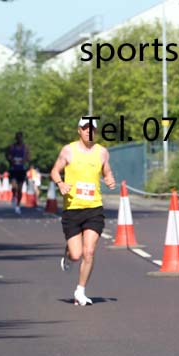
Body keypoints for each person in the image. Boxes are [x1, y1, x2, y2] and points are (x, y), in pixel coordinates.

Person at [50, 118, 116, 305]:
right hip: (72, 209)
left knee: (89, 252)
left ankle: (80, 290)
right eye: (85, 128)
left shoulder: (102, 152)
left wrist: (110, 179)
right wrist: (60, 183)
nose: (89, 132)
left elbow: (107, 172)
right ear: (79, 130)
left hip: (94, 209)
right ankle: (69, 253)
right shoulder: (68, 150)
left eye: (92, 129)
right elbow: (55, 171)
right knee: (77, 254)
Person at [6, 132, 30, 214]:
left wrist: (24, 160)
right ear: (16, 138)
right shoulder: (11, 147)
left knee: (20, 189)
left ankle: (18, 205)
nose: (19, 139)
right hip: (13, 169)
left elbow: (28, 157)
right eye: (18, 138)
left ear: (22, 138)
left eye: (21, 138)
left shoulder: (25, 147)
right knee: (14, 187)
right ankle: (13, 195)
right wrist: (11, 160)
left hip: (21, 169)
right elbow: (7, 156)